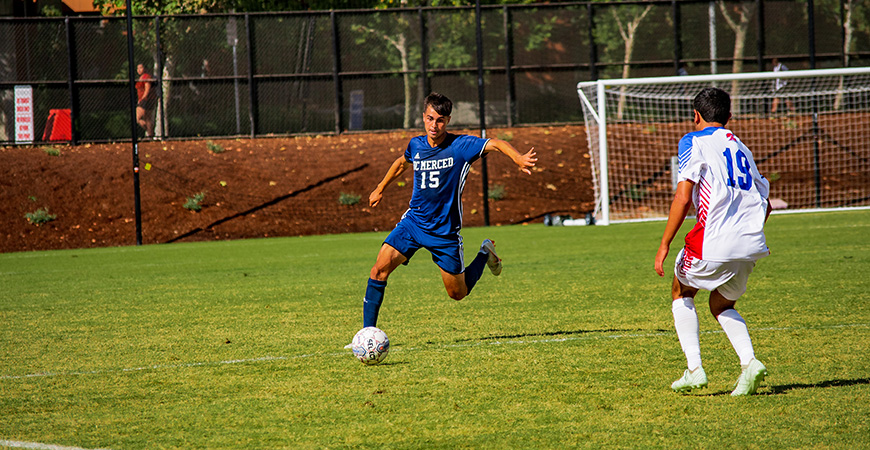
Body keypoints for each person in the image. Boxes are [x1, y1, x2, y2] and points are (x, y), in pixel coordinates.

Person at [354, 92, 537, 334]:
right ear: (423, 117)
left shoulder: (461, 146)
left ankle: (484, 252)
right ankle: (367, 334)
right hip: (414, 223)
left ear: (448, 120)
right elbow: (401, 163)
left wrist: (517, 158)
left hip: (444, 232)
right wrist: (379, 188)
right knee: (378, 269)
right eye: (430, 118)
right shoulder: (416, 145)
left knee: (457, 293)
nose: (434, 125)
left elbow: (495, 143)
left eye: (440, 120)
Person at [654, 87, 772, 396]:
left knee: (681, 291)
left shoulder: (693, 140)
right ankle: (749, 363)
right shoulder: (742, 148)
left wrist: (665, 244)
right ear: (730, 117)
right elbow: (766, 204)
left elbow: (683, 197)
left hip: (713, 240)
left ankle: (694, 369)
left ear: (695, 115)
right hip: (751, 243)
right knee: (721, 304)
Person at [135, 63, 156, 138]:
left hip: (147, 100)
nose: (139, 70)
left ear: (145, 68)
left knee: (138, 118)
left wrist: (143, 99)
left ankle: (150, 133)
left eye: (141, 68)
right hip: (143, 99)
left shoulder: (146, 77)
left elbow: (147, 89)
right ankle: (150, 134)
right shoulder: (140, 77)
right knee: (147, 119)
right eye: (138, 68)